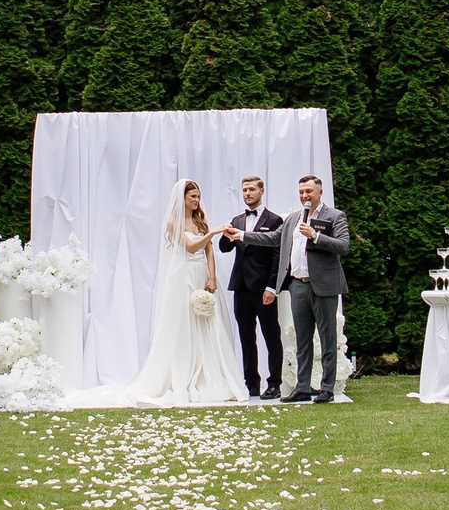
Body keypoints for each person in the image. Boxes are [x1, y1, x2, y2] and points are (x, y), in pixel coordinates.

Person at [115, 179, 247, 406]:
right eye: (192, 197)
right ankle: (183, 375)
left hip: (201, 273)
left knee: (209, 323)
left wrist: (212, 277)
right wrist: (214, 231)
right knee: (184, 323)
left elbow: (209, 251)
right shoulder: (173, 222)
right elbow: (190, 246)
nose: (196, 200)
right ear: (182, 198)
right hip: (184, 274)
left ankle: (214, 376)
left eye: (198, 196)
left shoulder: (200, 219)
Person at [245, 175, 348, 402]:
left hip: (323, 286)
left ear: (320, 193)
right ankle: (302, 387)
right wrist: (243, 235)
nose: (304, 196)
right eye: (301, 192)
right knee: (303, 339)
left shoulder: (335, 216)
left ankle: (327, 389)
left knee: (327, 338)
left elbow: (344, 246)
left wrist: (316, 236)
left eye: (309, 192)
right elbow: (273, 238)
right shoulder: (293, 218)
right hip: (297, 285)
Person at [218, 174, 285, 398]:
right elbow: (225, 249)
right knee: (246, 336)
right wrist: (226, 235)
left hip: (263, 287)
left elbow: (278, 257)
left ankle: (274, 383)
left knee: (271, 335)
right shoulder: (237, 220)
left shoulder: (274, 220)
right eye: (245, 190)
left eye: (252, 190)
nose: (247, 193)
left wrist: (272, 287)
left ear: (261, 191)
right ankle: (251, 384)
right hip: (241, 286)